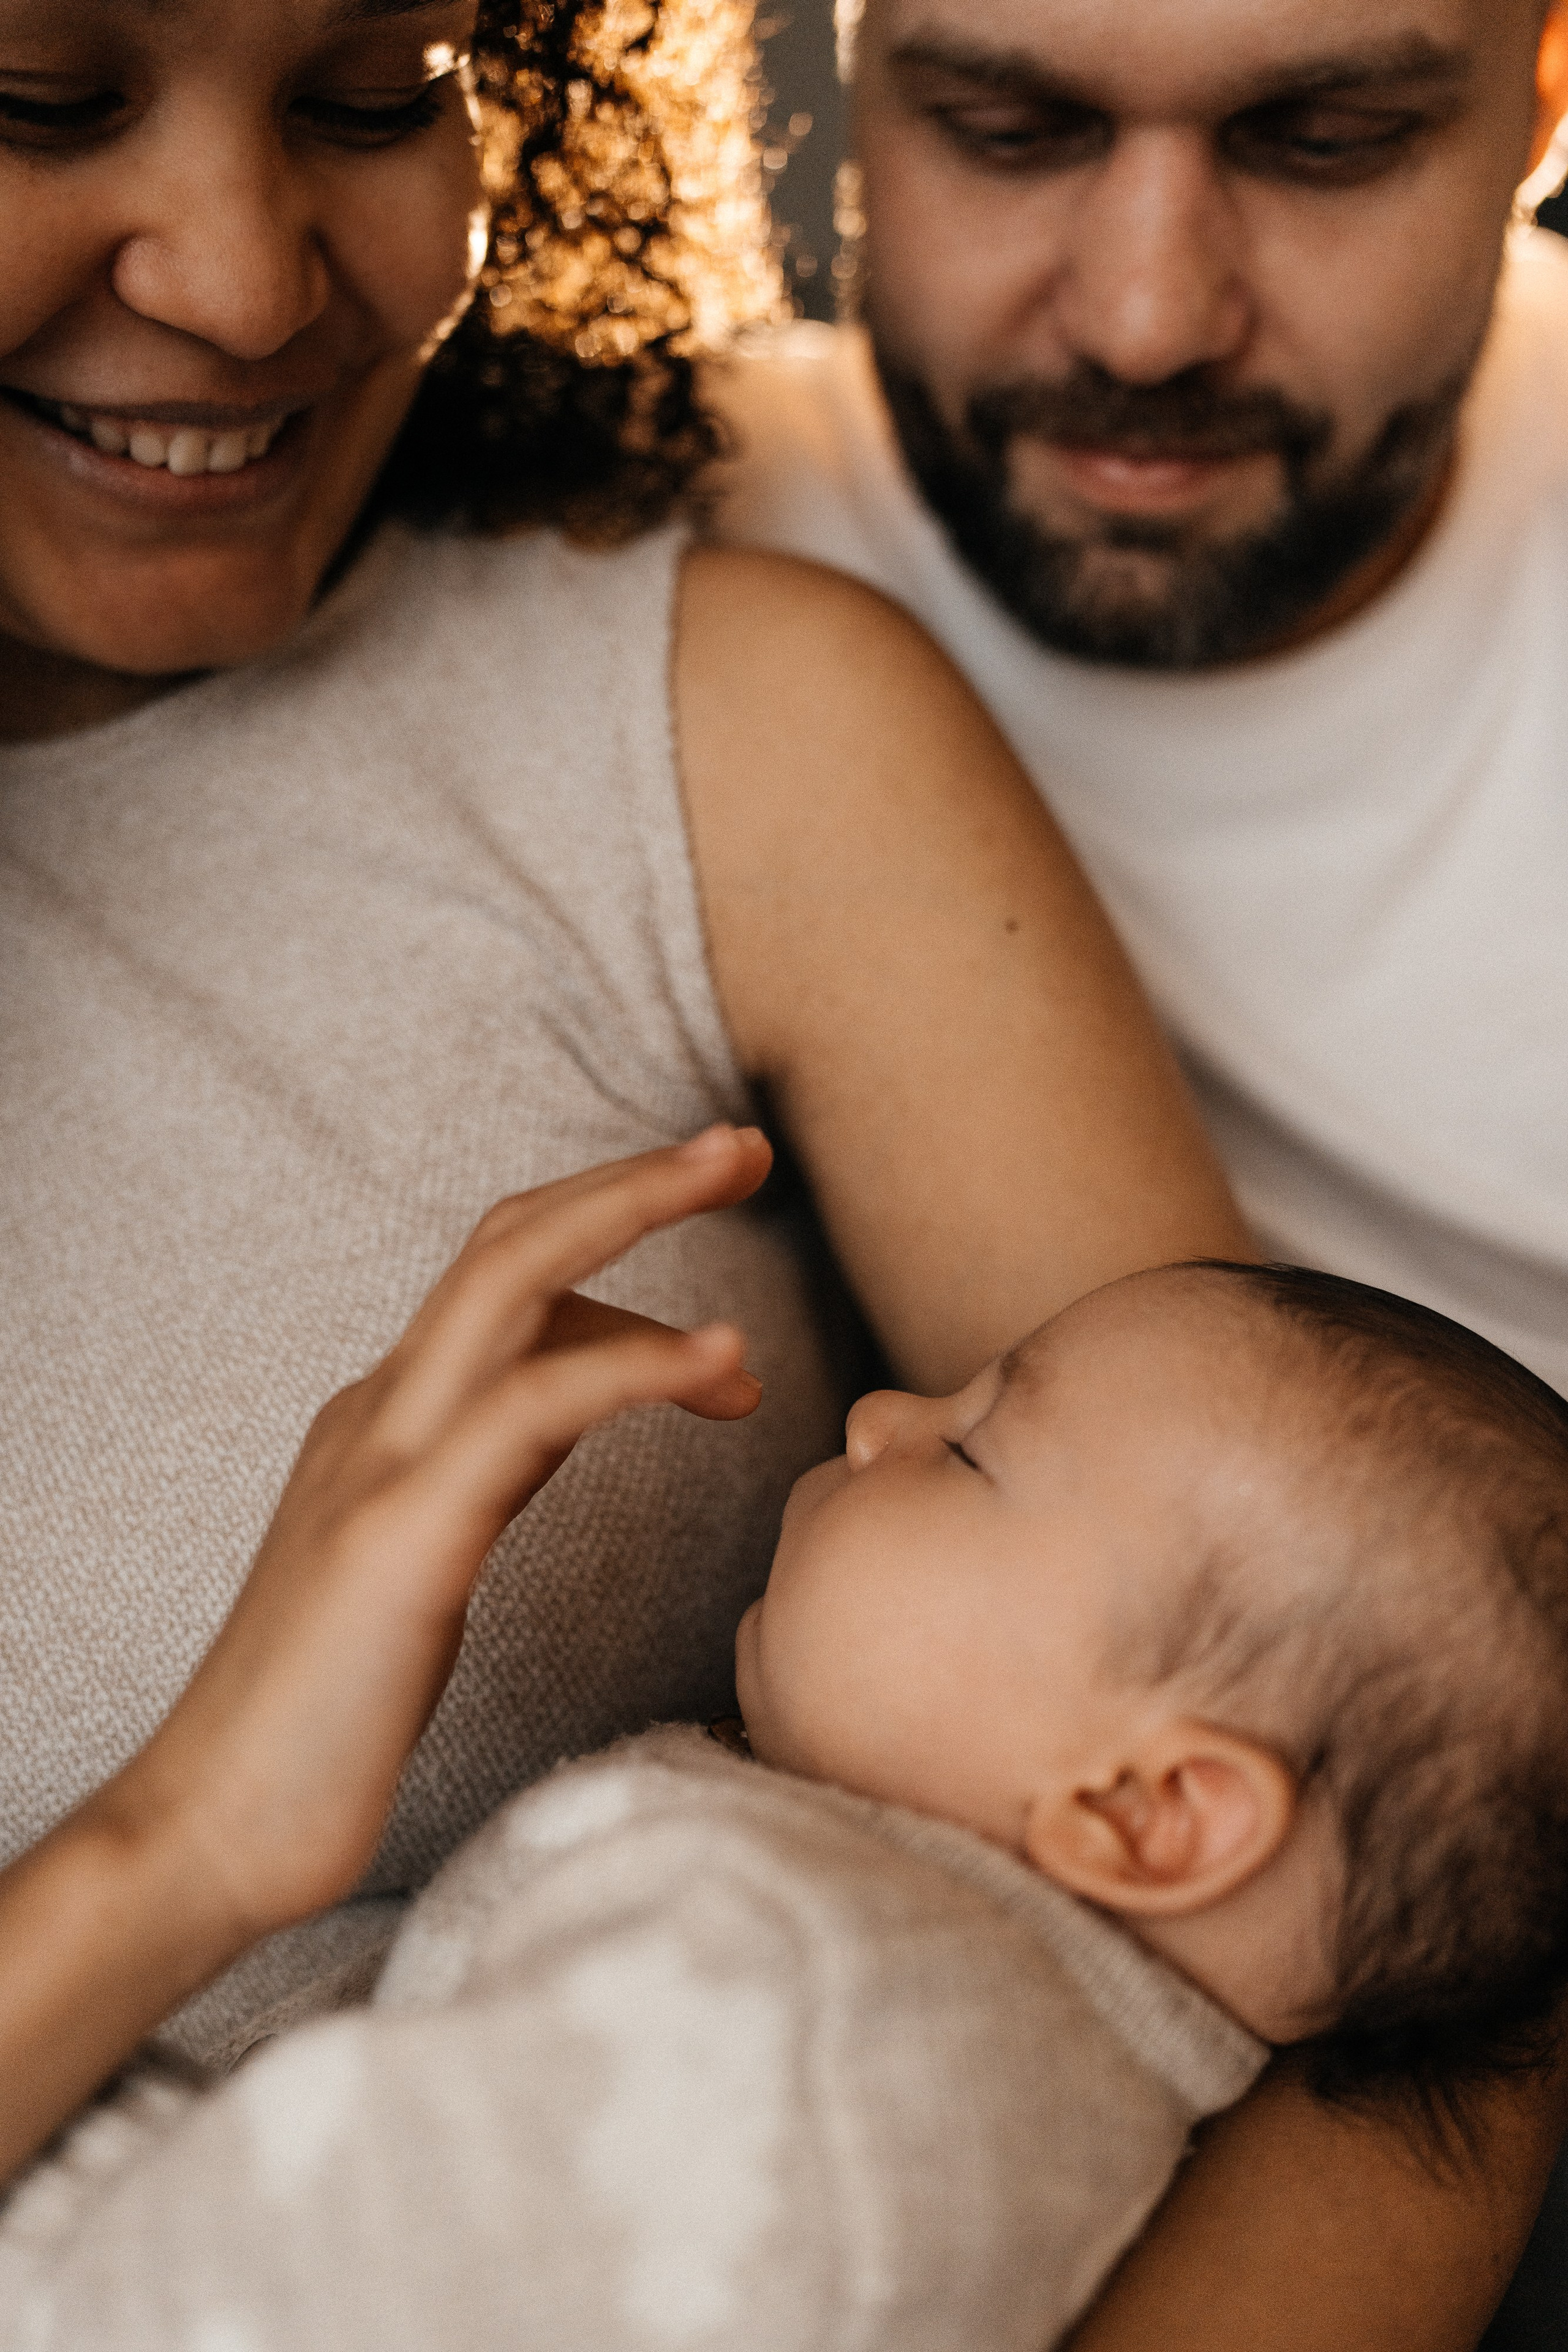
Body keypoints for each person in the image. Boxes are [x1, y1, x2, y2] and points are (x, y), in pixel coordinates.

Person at [0, 0, 1248, 2290]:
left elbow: (1367, 1796)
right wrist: (181, 1847)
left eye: (378, 94)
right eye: (35, 104)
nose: (247, 281)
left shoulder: (713, 732)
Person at [707, 0, 1568, 2337]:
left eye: (1328, 138)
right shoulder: (652, 544)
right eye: (1010, 127)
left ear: (1550, 94)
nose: (1152, 311)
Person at [9, 1140, 1568, 2349]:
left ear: (1146, 1811)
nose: (879, 1413)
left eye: (967, 1450)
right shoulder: (958, 2056)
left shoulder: (796, 2024)